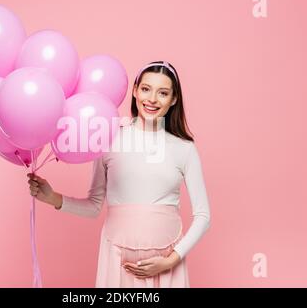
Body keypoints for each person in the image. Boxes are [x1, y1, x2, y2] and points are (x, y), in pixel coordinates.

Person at [27, 61, 211, 287]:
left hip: (166, 266)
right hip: (116, 262)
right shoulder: (108, 138)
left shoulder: (184, 149)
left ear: (173, 99)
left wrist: (170, 260)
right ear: (134, 91)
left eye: (162, 93)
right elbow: (95, 206)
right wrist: (52, 197)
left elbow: (203, 216)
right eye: (145, 89)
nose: (152, 99)